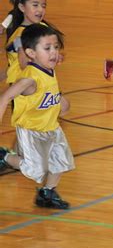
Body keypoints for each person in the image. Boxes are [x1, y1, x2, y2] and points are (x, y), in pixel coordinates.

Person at [0, 23, 75, 209]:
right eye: (47, 48)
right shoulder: (29, 79)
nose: (53, 52)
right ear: (31, 53)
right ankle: (4, 157)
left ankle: (47, 193)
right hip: (31, 130)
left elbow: (49, 90)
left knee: (61, 161)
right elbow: (5, 97)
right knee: (34, 170)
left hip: (51, 127)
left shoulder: (49, 70)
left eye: (55, 47)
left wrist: (61, 100)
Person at [5, 0, 47, 87]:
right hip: (24, 86)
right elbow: (24, 63)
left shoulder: (43, 27)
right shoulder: (20, 36)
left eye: (43, 6)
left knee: (64, 103)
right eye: (35, 5)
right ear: (22, 7)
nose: (40, 9)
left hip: (40, 80)